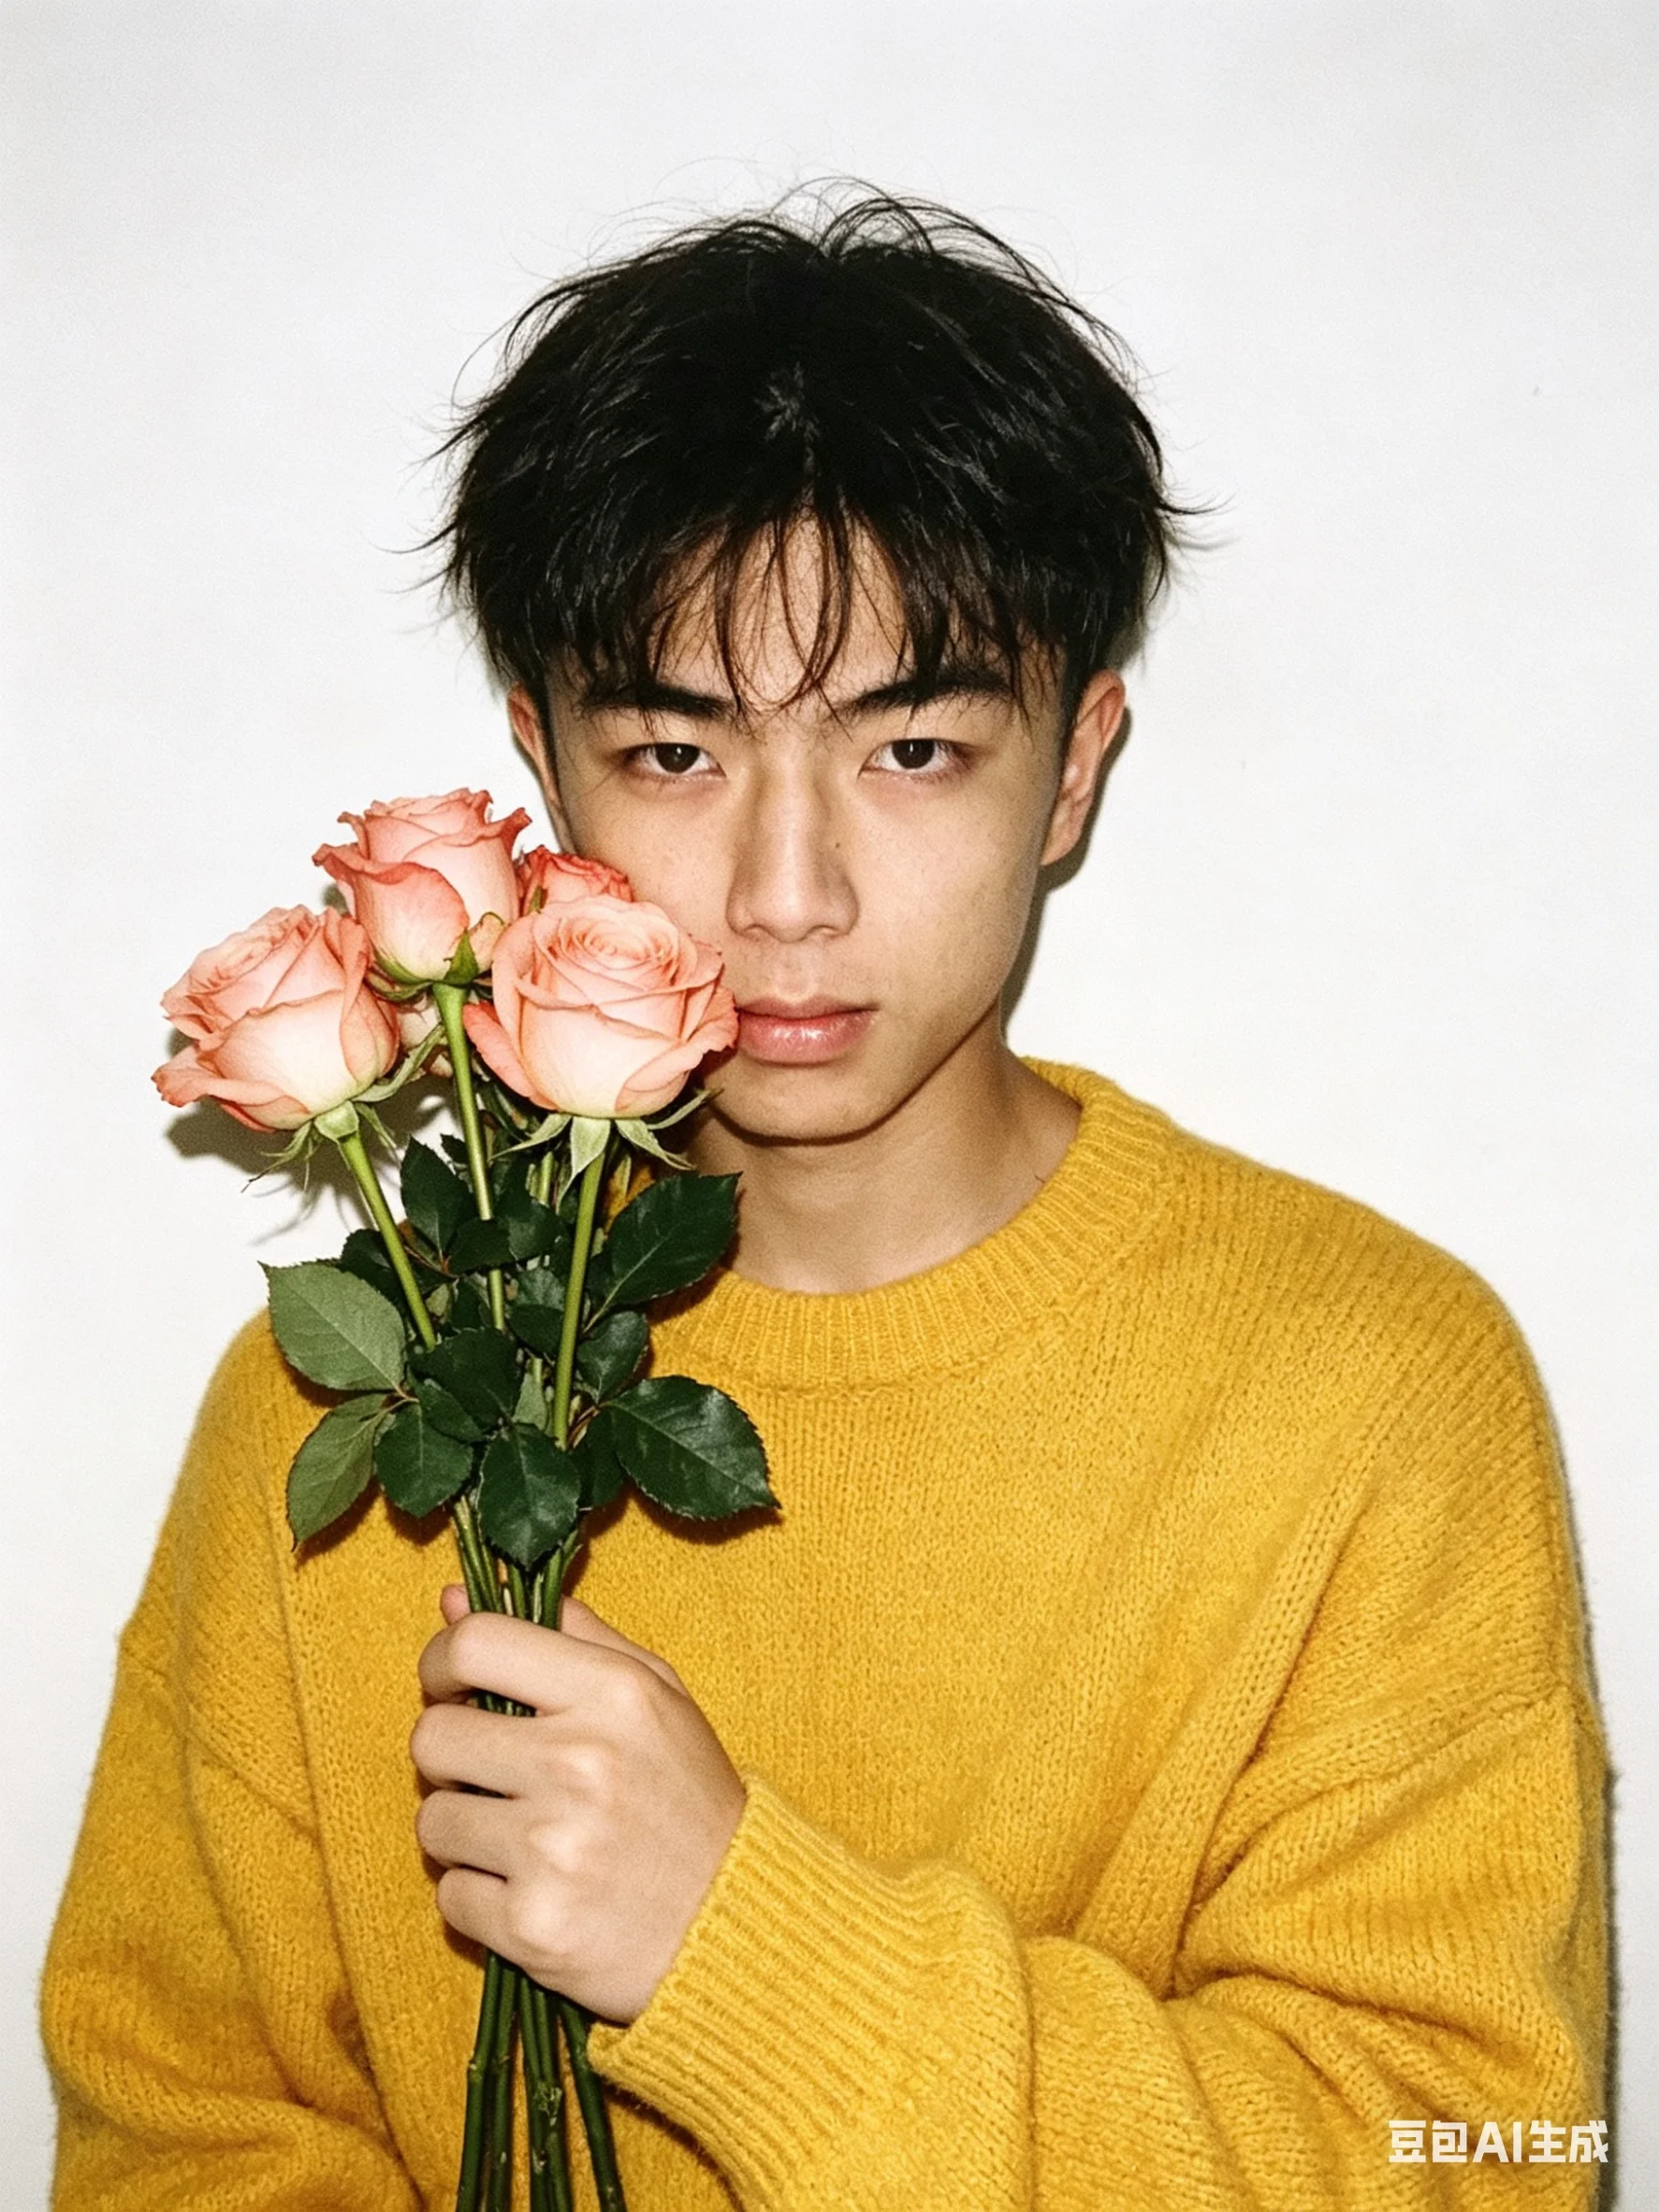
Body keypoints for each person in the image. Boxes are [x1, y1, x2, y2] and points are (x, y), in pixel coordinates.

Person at [42, 194, 1608, 2209]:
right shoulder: (359, 1400)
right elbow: (183, 2140)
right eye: (676, 751)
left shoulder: (1378, 1391)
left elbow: (1485, 2159)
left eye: (916, 748)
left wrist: (745, 1956)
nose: (789, 895)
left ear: (1073, 769)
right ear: (544, 773)